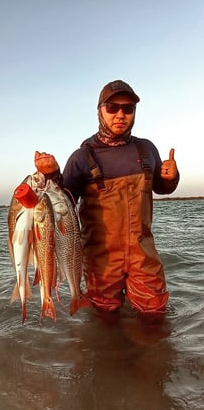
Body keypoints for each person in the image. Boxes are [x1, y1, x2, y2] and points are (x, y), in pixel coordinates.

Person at [38, 79, 179, 318]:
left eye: (128, 108)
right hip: (100, 262)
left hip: (144, 256)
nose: (120, 114)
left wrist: (171, 178)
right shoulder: (82, 156)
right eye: (112, 108)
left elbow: (162, 188)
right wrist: (52, 175)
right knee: (105, 322)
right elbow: (65, 205)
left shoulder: (147, 150)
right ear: (100, 111)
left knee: (156, 317)